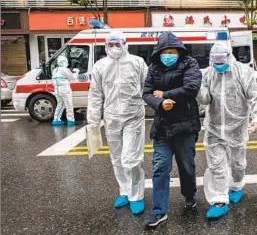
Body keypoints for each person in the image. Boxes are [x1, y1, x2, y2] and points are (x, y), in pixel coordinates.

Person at [197, 41, 257, 219]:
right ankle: (219, 200)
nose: (218, 64)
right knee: (216, 166)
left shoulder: (243, 72)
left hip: (237, 127)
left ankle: (236, 185)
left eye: (221, 60)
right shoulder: (208, 74)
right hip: (214, 128)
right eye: (215, 60)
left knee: (237, 164)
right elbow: (204, 100)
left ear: (229, 56)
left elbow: (254, 97)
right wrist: (197, 88)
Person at [142, 32, 202, 228]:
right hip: (162, 127)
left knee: (186, 167)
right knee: (160, 168)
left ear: (179, 51)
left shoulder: (189, 64)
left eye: (172, 51)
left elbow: (192, 88)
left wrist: (167, 95)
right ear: (159, 52)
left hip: (185, 126)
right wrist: (159, 103)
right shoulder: (154, 67)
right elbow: (146, 92)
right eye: (165, 52)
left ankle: (190, 194)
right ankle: (159, 211)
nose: (168, 55)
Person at [87, 30, 148, 215]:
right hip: (111, 117)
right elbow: (96, 94)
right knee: (117, 159)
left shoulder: (137, 62)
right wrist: (93, 120)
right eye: (110, 45)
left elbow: (148, 86)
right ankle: (125, 191)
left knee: (131, 158)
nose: (114, 48)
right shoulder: (100, 66)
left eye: (117, 44)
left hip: (133, 117)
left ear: (125, 44)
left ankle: (136, 195)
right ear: (106, 46)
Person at [52, 55, 78, 127]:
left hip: (57, 90)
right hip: (65, 89)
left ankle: (56, 119)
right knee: (69, 105)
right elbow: (72, 78)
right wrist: (76, 72)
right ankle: (70, 120)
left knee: (60, 104)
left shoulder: (55, 70)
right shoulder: (65, 70)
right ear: (64, 62)